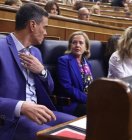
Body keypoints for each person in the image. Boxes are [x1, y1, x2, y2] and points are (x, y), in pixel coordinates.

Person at [0, 3, 76, 140]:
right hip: (10, 120)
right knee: (56, 136)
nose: (46, 33)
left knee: (81, 126)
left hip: (40, 113)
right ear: (33, 25)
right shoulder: (1, 48)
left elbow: (50, 89)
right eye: (45, 27)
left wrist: (42, 72)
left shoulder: (36, 52)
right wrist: (21, 106)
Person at [57, 31, 93, 117]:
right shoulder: (64, 61)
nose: (77, 45)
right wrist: (88, 99)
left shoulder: (87, 64)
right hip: (72, 104)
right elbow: (67, 87)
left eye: (81, 43)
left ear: (86, 47)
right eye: (74, 42)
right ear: (70, 46)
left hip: (87, 101)